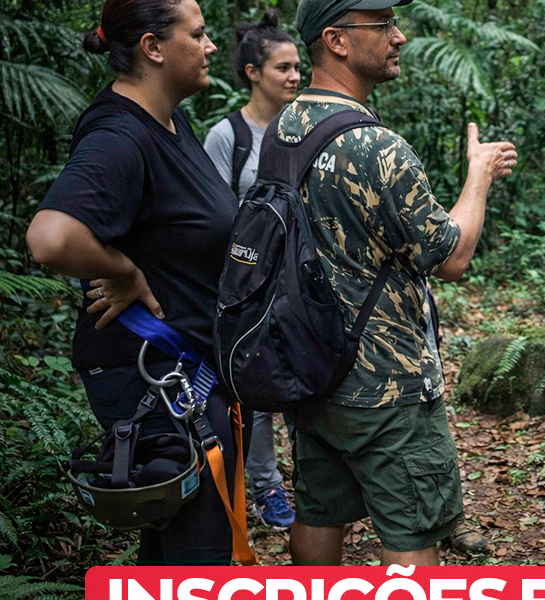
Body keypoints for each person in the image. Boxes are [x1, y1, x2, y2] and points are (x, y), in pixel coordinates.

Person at [283, 0, 516, 566]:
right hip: (386, 382)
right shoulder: (375, 146)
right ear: (336, 40)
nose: (399, 36)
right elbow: (451, 257)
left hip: (312, 366)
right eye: (382, 24)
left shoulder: (285, 127)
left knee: (318, 514)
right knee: (411, 534)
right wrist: (479, 175)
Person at [26, 0, 243, 565]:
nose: (210, 46)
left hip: (185, 376)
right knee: (199, 557)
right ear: (153, 47)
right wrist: (122, 270)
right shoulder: (120, 135)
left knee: (173, 551)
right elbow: (50, 237)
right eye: (198, 34)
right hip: (159, 380)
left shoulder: (169, 121)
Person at [203, 10, 300, 532]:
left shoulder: (303, 128)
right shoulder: (228, 135)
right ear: (253, 73)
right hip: (250, 290)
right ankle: (266, 488)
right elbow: (214, 214)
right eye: (283, 68)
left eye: (297, 67)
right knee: (256, 393)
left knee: (308, 380)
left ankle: (314, 483)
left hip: (300, 286)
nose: (294, 76)